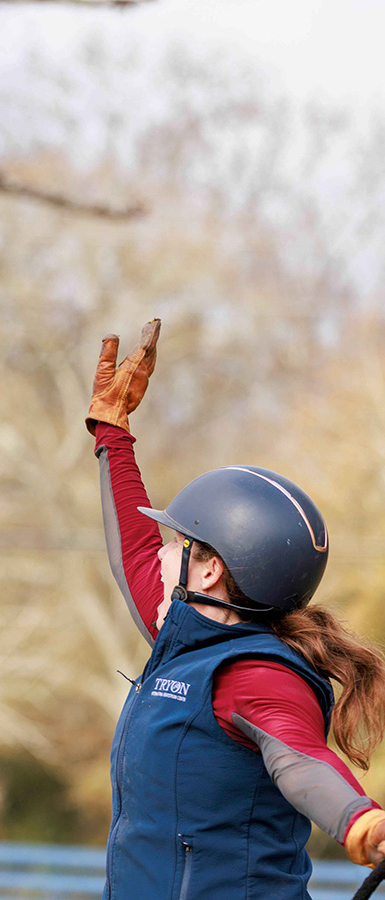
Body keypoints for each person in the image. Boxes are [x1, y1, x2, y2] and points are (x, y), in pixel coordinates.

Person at [87, 319, 385, 900]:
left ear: (210, 569)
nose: (163, 550)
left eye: (179, 541)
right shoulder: (189, 644)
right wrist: (111, 434)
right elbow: (133, 549)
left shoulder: (256, 676)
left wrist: (362, 821)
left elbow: (303, 761)